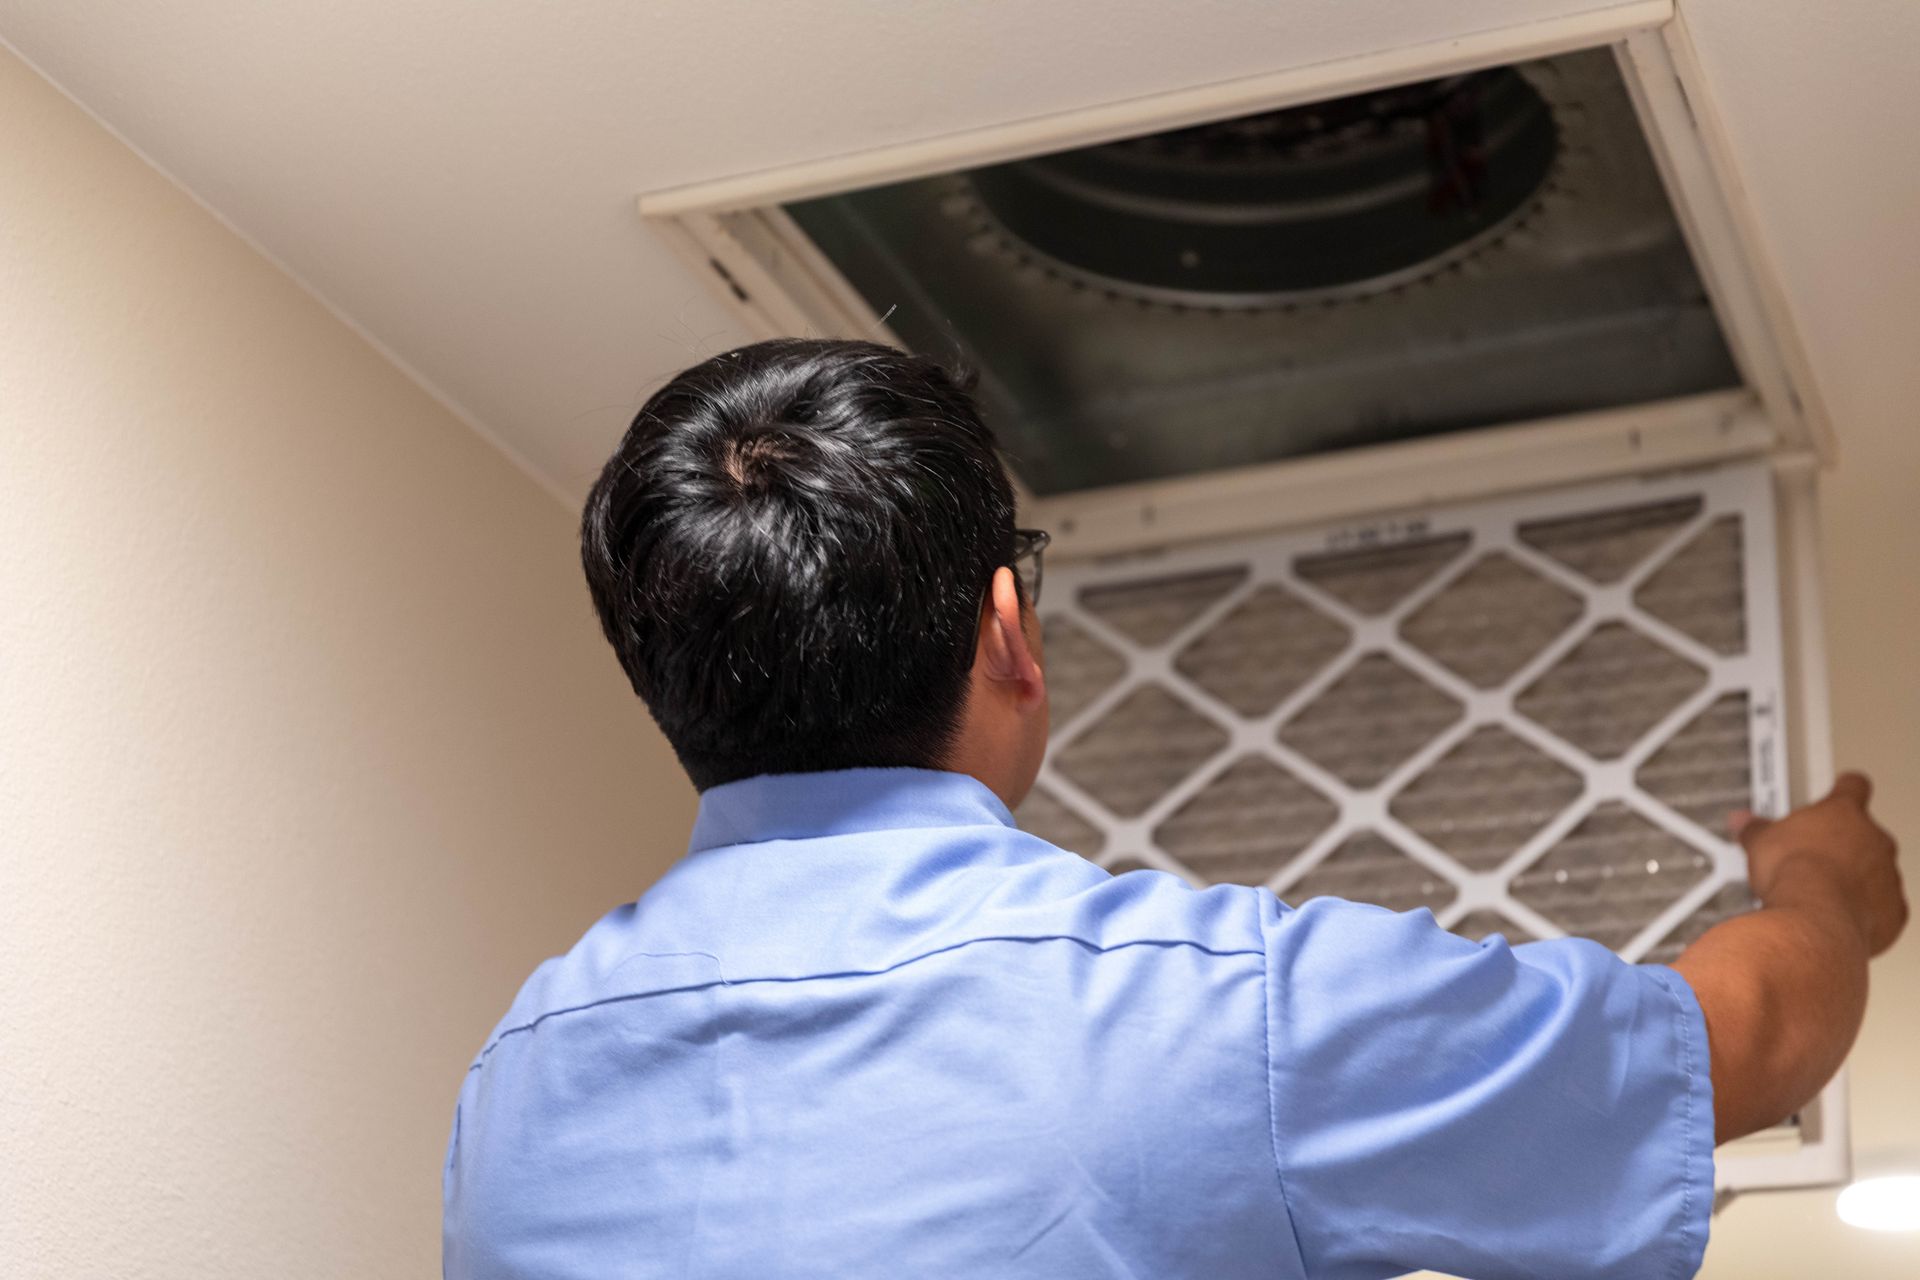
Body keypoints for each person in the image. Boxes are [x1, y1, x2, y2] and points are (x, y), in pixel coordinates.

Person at [442, 338, 1906, 1279]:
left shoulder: (516, 1085)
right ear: (1007, 631)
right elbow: (1754, 1042)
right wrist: (1822, 881)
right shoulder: (1212, 1012)